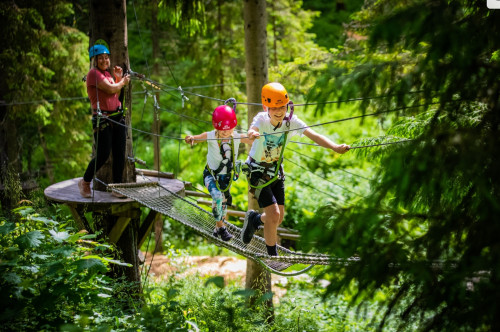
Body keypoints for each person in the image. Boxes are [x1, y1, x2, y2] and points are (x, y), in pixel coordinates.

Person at [241, 82, 350, 256]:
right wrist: (251, 135)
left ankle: (255, 219)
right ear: (265, 107)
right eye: (274, 108)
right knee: (273, 214)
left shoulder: (291, 122)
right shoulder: (261, 120)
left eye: (282, 107)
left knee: (278, 218)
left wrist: (334, 147)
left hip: (276, 171)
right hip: (257, 172)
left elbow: (313, 135)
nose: (279, 112)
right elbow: (250, 132)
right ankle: (272, 256)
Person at [185, 104, 254, 241]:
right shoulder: (211, 136)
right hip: (210, 175)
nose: (225, 132)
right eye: (221, 129)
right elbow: (198, 138)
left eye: (228, 129)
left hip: (226, 179)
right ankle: (222, 229)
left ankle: (217, 229)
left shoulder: (236, 137)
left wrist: (255, 135)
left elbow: (251, 139)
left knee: (222, 205)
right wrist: (191, 138)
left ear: (234, 127)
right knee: (217, 197)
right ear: (216, 126)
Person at [78, 44, 130, 198]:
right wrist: (122, 82)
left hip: (117, 116)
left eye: (106, 57)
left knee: (120, 153)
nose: (104, 60)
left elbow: (115, 92)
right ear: (94, 60)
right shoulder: (93, 74)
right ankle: (85, 182)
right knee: (103, 153)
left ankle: (117, 187)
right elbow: (111, 89)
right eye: (100, 58)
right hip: (103, 119)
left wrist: (118, 79)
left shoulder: (107, 74)